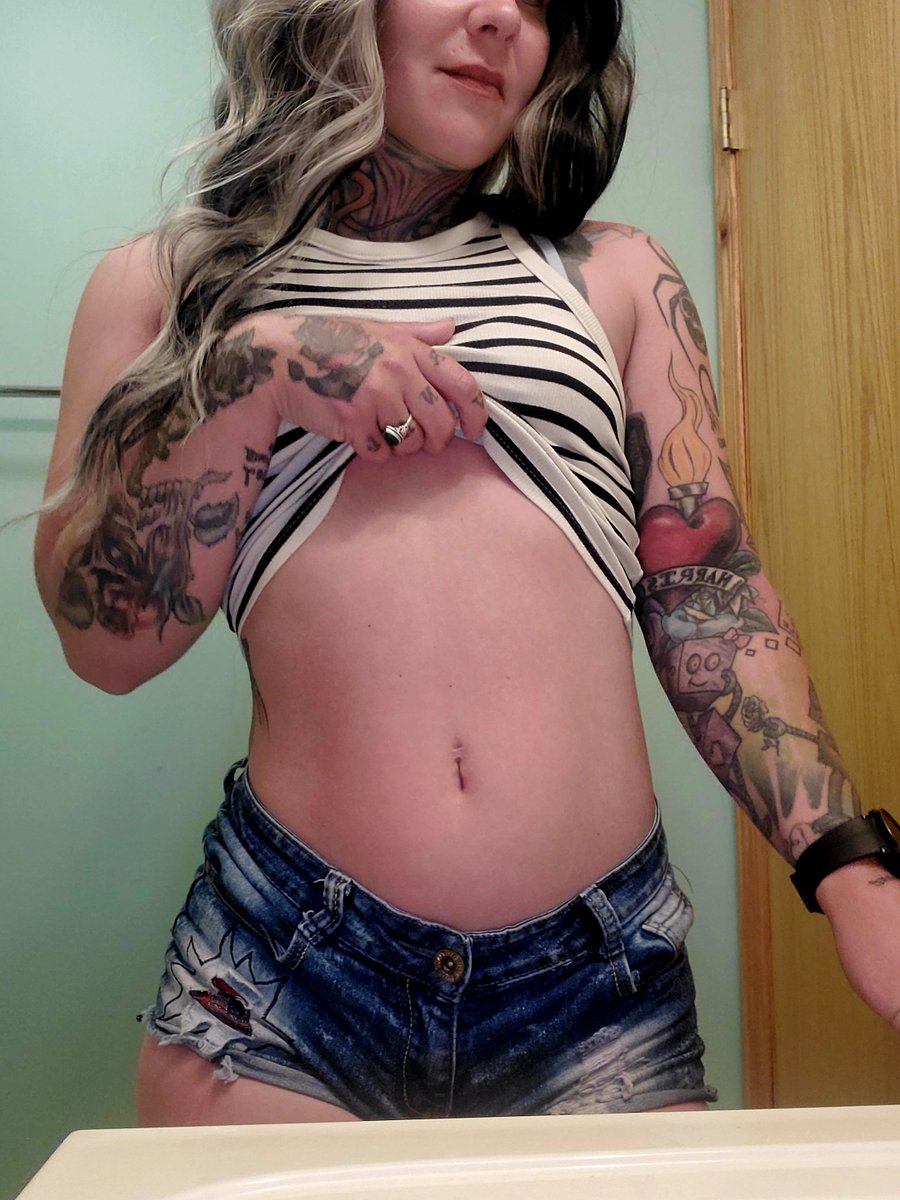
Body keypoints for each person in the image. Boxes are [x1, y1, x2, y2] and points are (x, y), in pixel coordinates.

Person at [34, 0, 899, 1126]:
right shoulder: (167, 286)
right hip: (284, 984)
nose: (503, 19)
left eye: (543, 4)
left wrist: (851, 867)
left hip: (599, 987)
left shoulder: (617, 276)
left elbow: (708, 590)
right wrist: (255, 369)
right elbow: (105, 646)